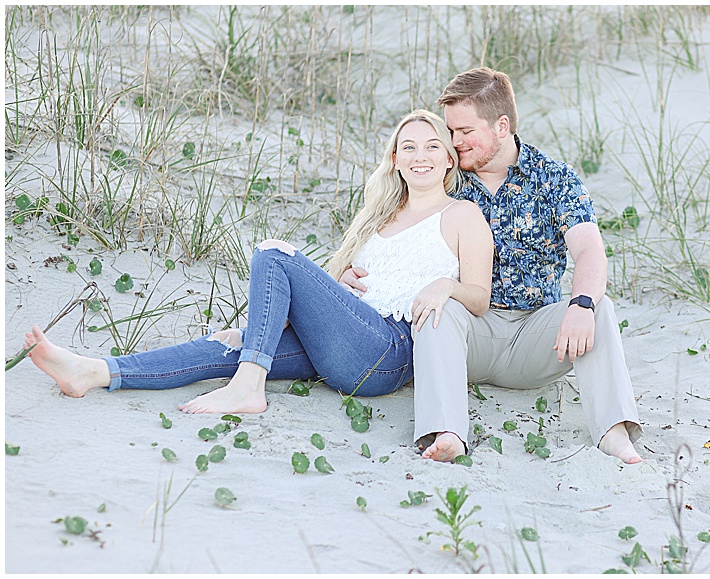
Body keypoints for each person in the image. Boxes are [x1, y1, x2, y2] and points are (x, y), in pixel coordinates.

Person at [22, 110, 493, 420]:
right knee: (228, 347)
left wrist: (442, 286)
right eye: (409, 147)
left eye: (432, 146)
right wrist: (270, 326)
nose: (420, 156)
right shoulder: (378, 217)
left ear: (450, 159)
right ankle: (95, 371)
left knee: (273, 252)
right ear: (395, 159)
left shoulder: (461, 215)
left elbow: (480, 296)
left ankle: (249, 385)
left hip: (387, 352)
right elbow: (326, 298)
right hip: (346, 343)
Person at [341, 68, 643, 464]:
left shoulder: (554, 178)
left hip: (536, 338)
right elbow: (395, 228)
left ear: (502, 125)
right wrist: (354, 268)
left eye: (465, 131)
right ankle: (445, 432)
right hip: (467, 333)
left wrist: (581, 304)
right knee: (440, 304)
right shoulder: (447, 177)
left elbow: (589, 251)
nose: (454, 142)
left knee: (598, 306)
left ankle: (613, 432)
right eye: (451, 131)